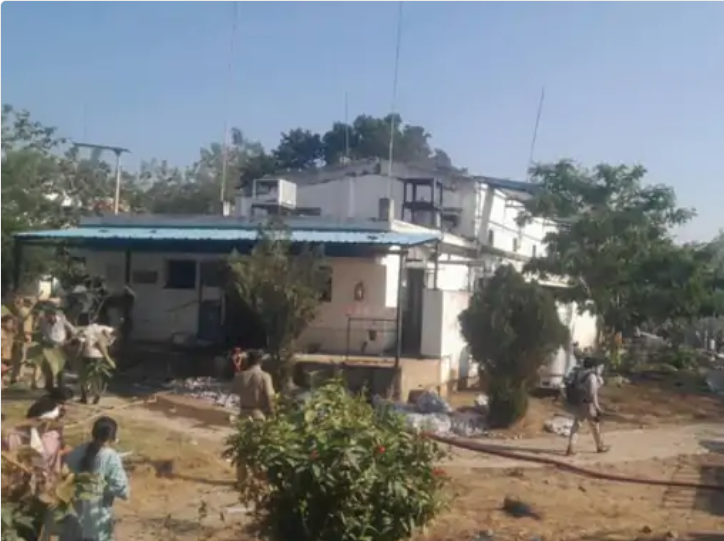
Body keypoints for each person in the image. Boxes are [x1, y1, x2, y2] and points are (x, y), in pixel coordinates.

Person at [60, 416, 130, 541]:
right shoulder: (111, 457)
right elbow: (122, 489)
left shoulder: (76, 452)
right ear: (112, 437)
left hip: (73, 521)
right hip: (96, 523)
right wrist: (104, 487)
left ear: (93, 433)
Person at [230, 349, 275, 486]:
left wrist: (239, 368)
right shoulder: (264, 376)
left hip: (243, 413)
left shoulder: (241, 375)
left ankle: (241, 479)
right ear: (260, 361)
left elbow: (234, 390)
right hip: (258, 413)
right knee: (258, 447)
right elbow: (270, 397)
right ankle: (259, 478)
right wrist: (273, 414)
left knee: (243, 447)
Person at [564, 357, 610, 456]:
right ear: (594, 367)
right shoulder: (591, 377)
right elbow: (592, 393)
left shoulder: (579, 373)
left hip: (579, 403)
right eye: (600, 367)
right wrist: (597, 407)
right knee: (595, 425)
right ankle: (600, 446)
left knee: (576, 425)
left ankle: (571, 447)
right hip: (588, 405)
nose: (601, 369)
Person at [76, 319, 116, 405]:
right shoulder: (106, 329)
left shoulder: (88, 329)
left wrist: (78, 354)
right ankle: (96, 396)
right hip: (98, 357)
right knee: (97, 378)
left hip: (87, 355)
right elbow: (101, 343)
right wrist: (108, 358)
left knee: (84, 377)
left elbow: (81, 343)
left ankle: (84, 397)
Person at [38, 307, 77, 391]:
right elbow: (42, 332)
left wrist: (68, 341)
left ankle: (61, 386)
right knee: (49, 367)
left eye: (48, 316)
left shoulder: (62, 320)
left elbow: (73, 330)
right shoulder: (43, 322)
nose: (47, 318)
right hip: (49, 346)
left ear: (53, 315)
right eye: (46, 316)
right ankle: (49, 386)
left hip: (61, 346)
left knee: (60, 367)